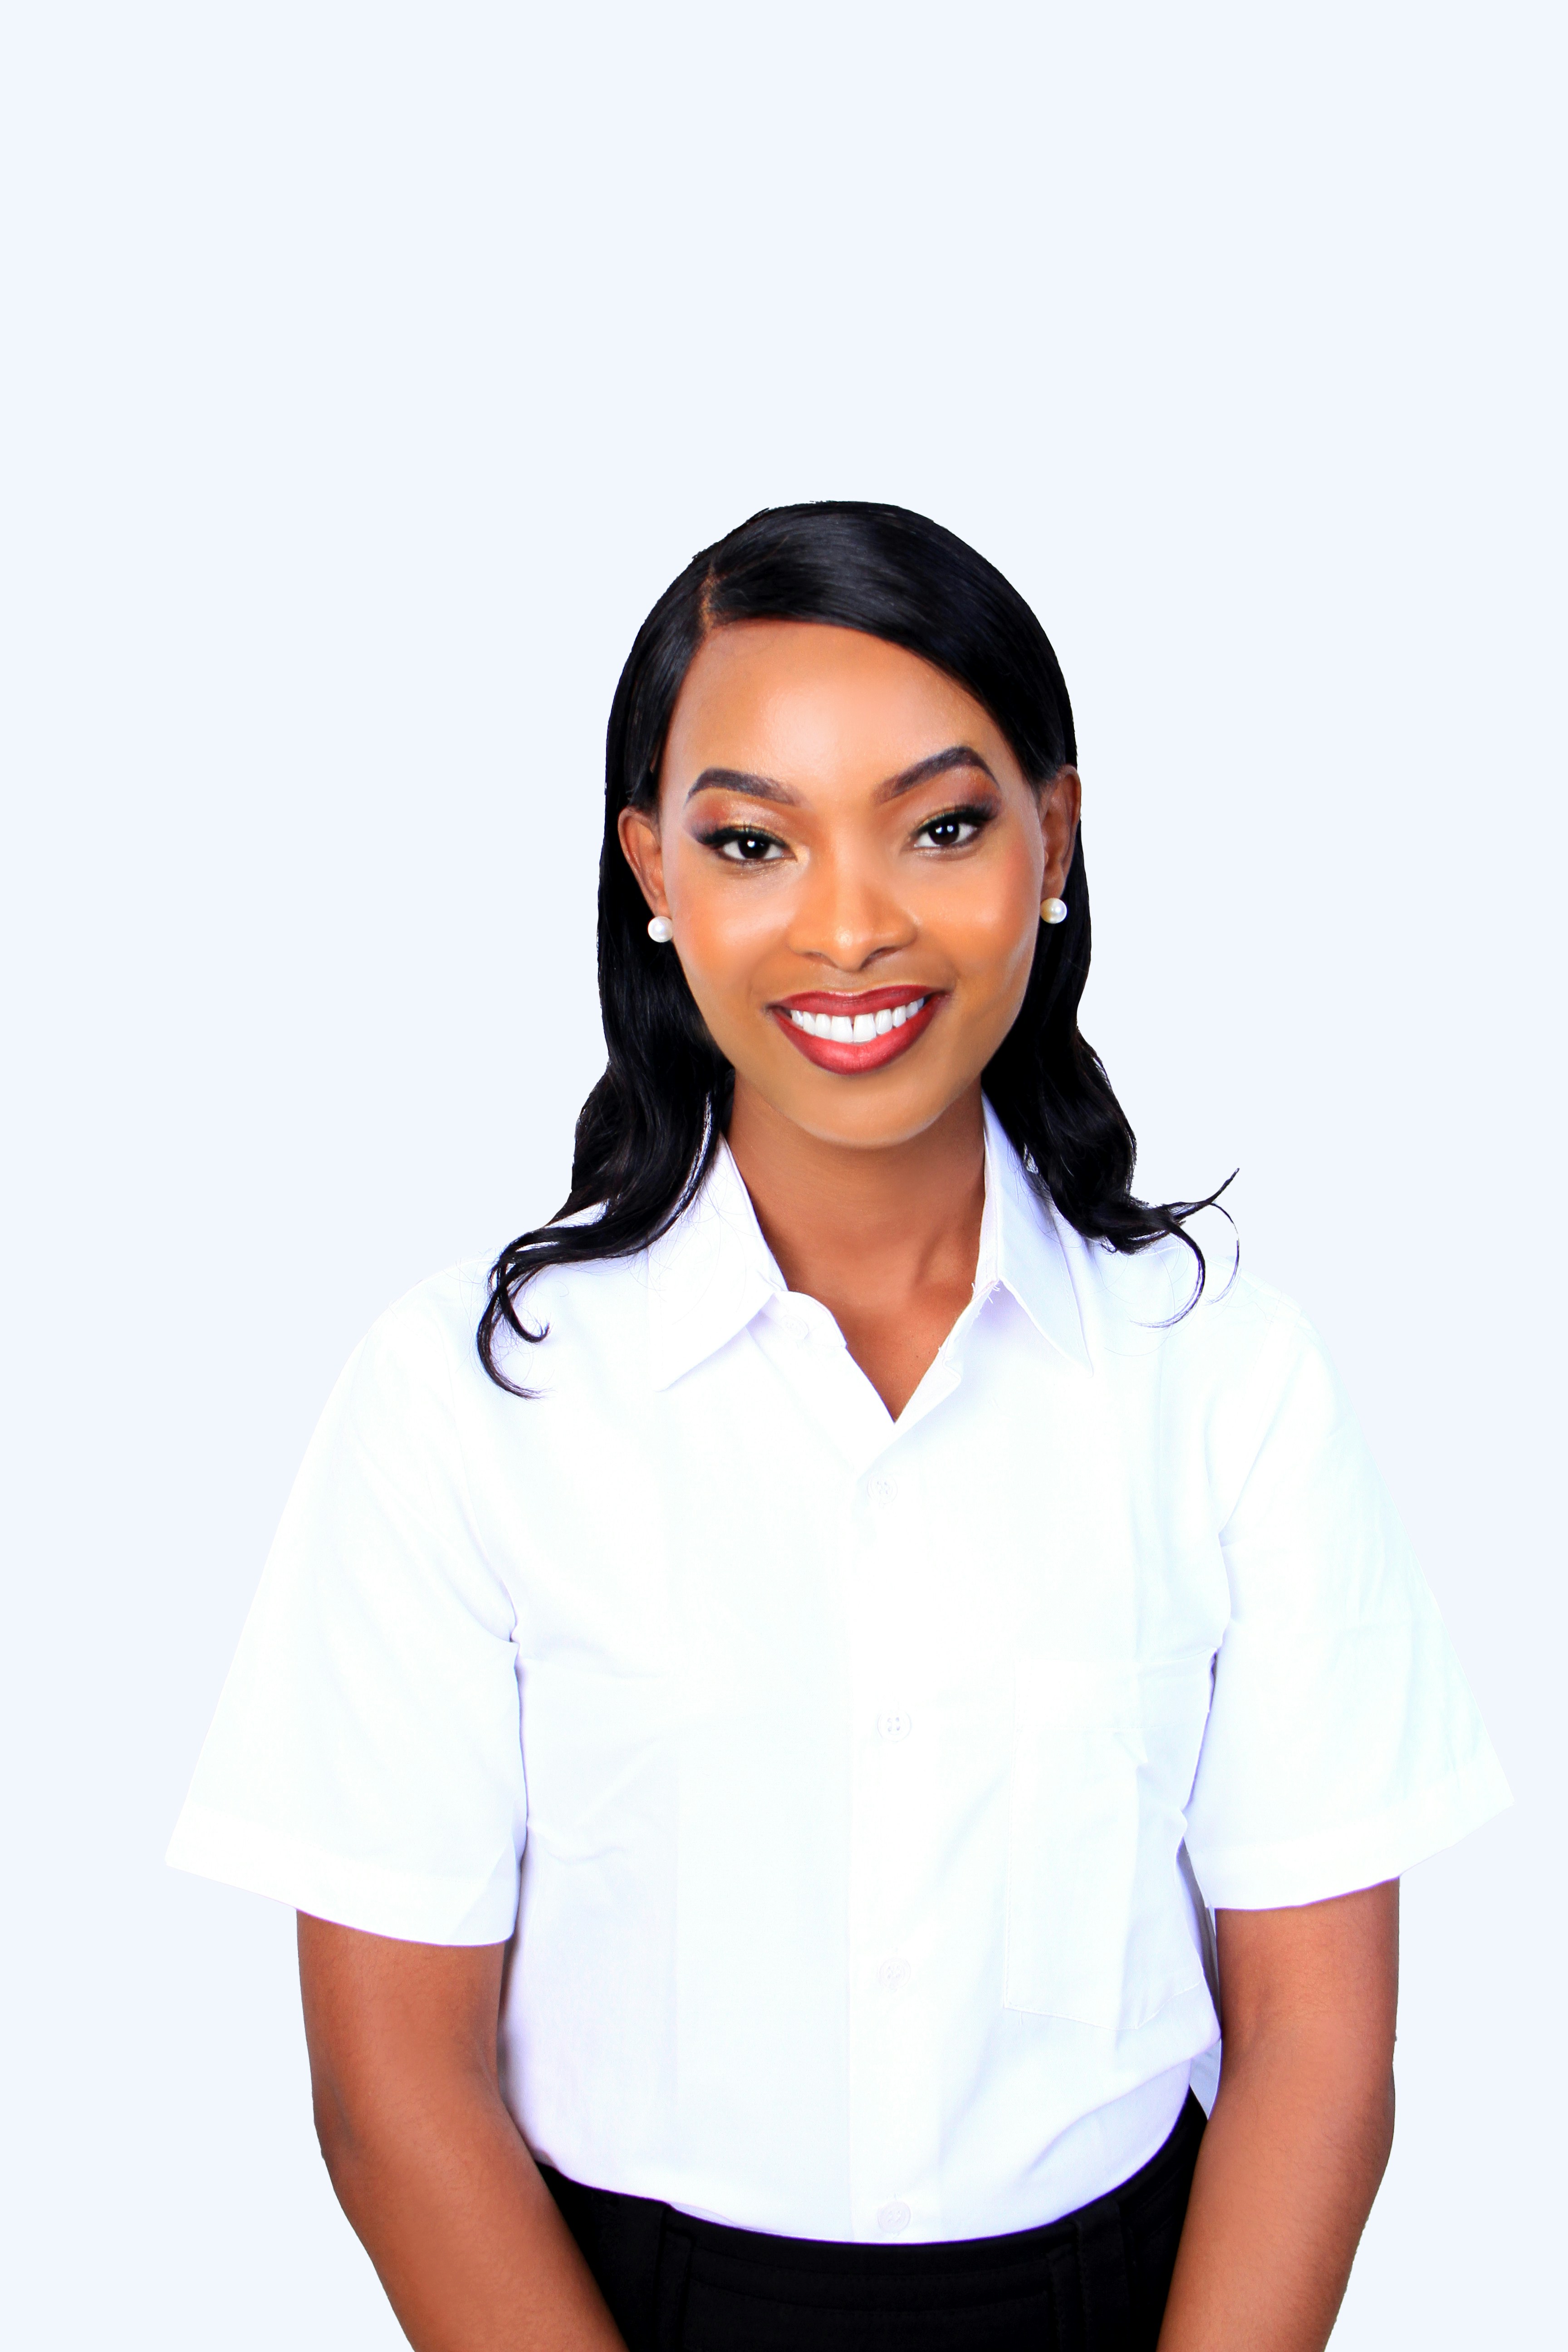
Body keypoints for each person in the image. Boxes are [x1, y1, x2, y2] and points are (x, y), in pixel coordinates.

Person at [169, 502, 1508, 2352]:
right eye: (751, 842)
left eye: (943, 824)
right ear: (654, 870)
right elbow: (397, 2088)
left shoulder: (1230, 1384)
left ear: (1058, 838)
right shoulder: (466, 1403)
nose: (853, 924)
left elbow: (1314, 2047)